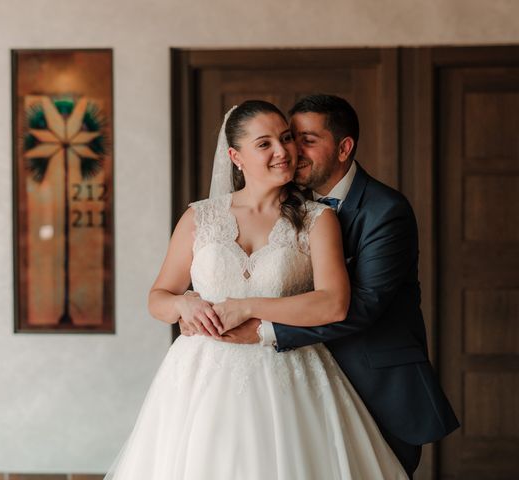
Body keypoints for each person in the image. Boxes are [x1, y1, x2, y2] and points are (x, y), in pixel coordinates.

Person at [105, 100, 408, 479]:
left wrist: (247, 308)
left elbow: (333, 303)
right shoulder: (200, 217)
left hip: (288, 376)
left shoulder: (318, 219)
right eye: (265, 144)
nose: (283, 151)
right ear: (236, 156)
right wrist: (184, 304)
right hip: (200, 381)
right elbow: (158, 298)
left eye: (286, 139)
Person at [182, 94, 460, 477]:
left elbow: (362, 305)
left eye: (305, 139)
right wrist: (194, 304)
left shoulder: (385, 211)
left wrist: (260, 328)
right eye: (288, 138)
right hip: (293, 385)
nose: (291, 150)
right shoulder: (291, 204)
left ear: (344, 148)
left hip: (372, 380)